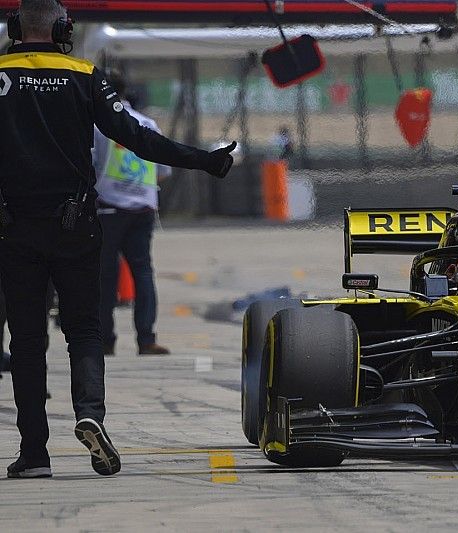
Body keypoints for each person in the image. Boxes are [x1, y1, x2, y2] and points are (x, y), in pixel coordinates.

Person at [0, 0, 236, 479]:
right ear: (64, 29)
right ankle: (91, 413)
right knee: (84, 331)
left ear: (14, 27)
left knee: (26, 342)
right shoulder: (84, 75)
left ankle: (34, 454)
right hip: (77, 226)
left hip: (15, 228)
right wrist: (205, 160)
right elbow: (138, 138)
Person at [93, 74, 172, 356]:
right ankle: (147, 339)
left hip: (109, 208)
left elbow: (89, 164)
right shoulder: (148, 124)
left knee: (104, 275)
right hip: (144, 208)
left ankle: (105, 339)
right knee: (143, 272)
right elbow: (163, 171)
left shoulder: (99, 126)